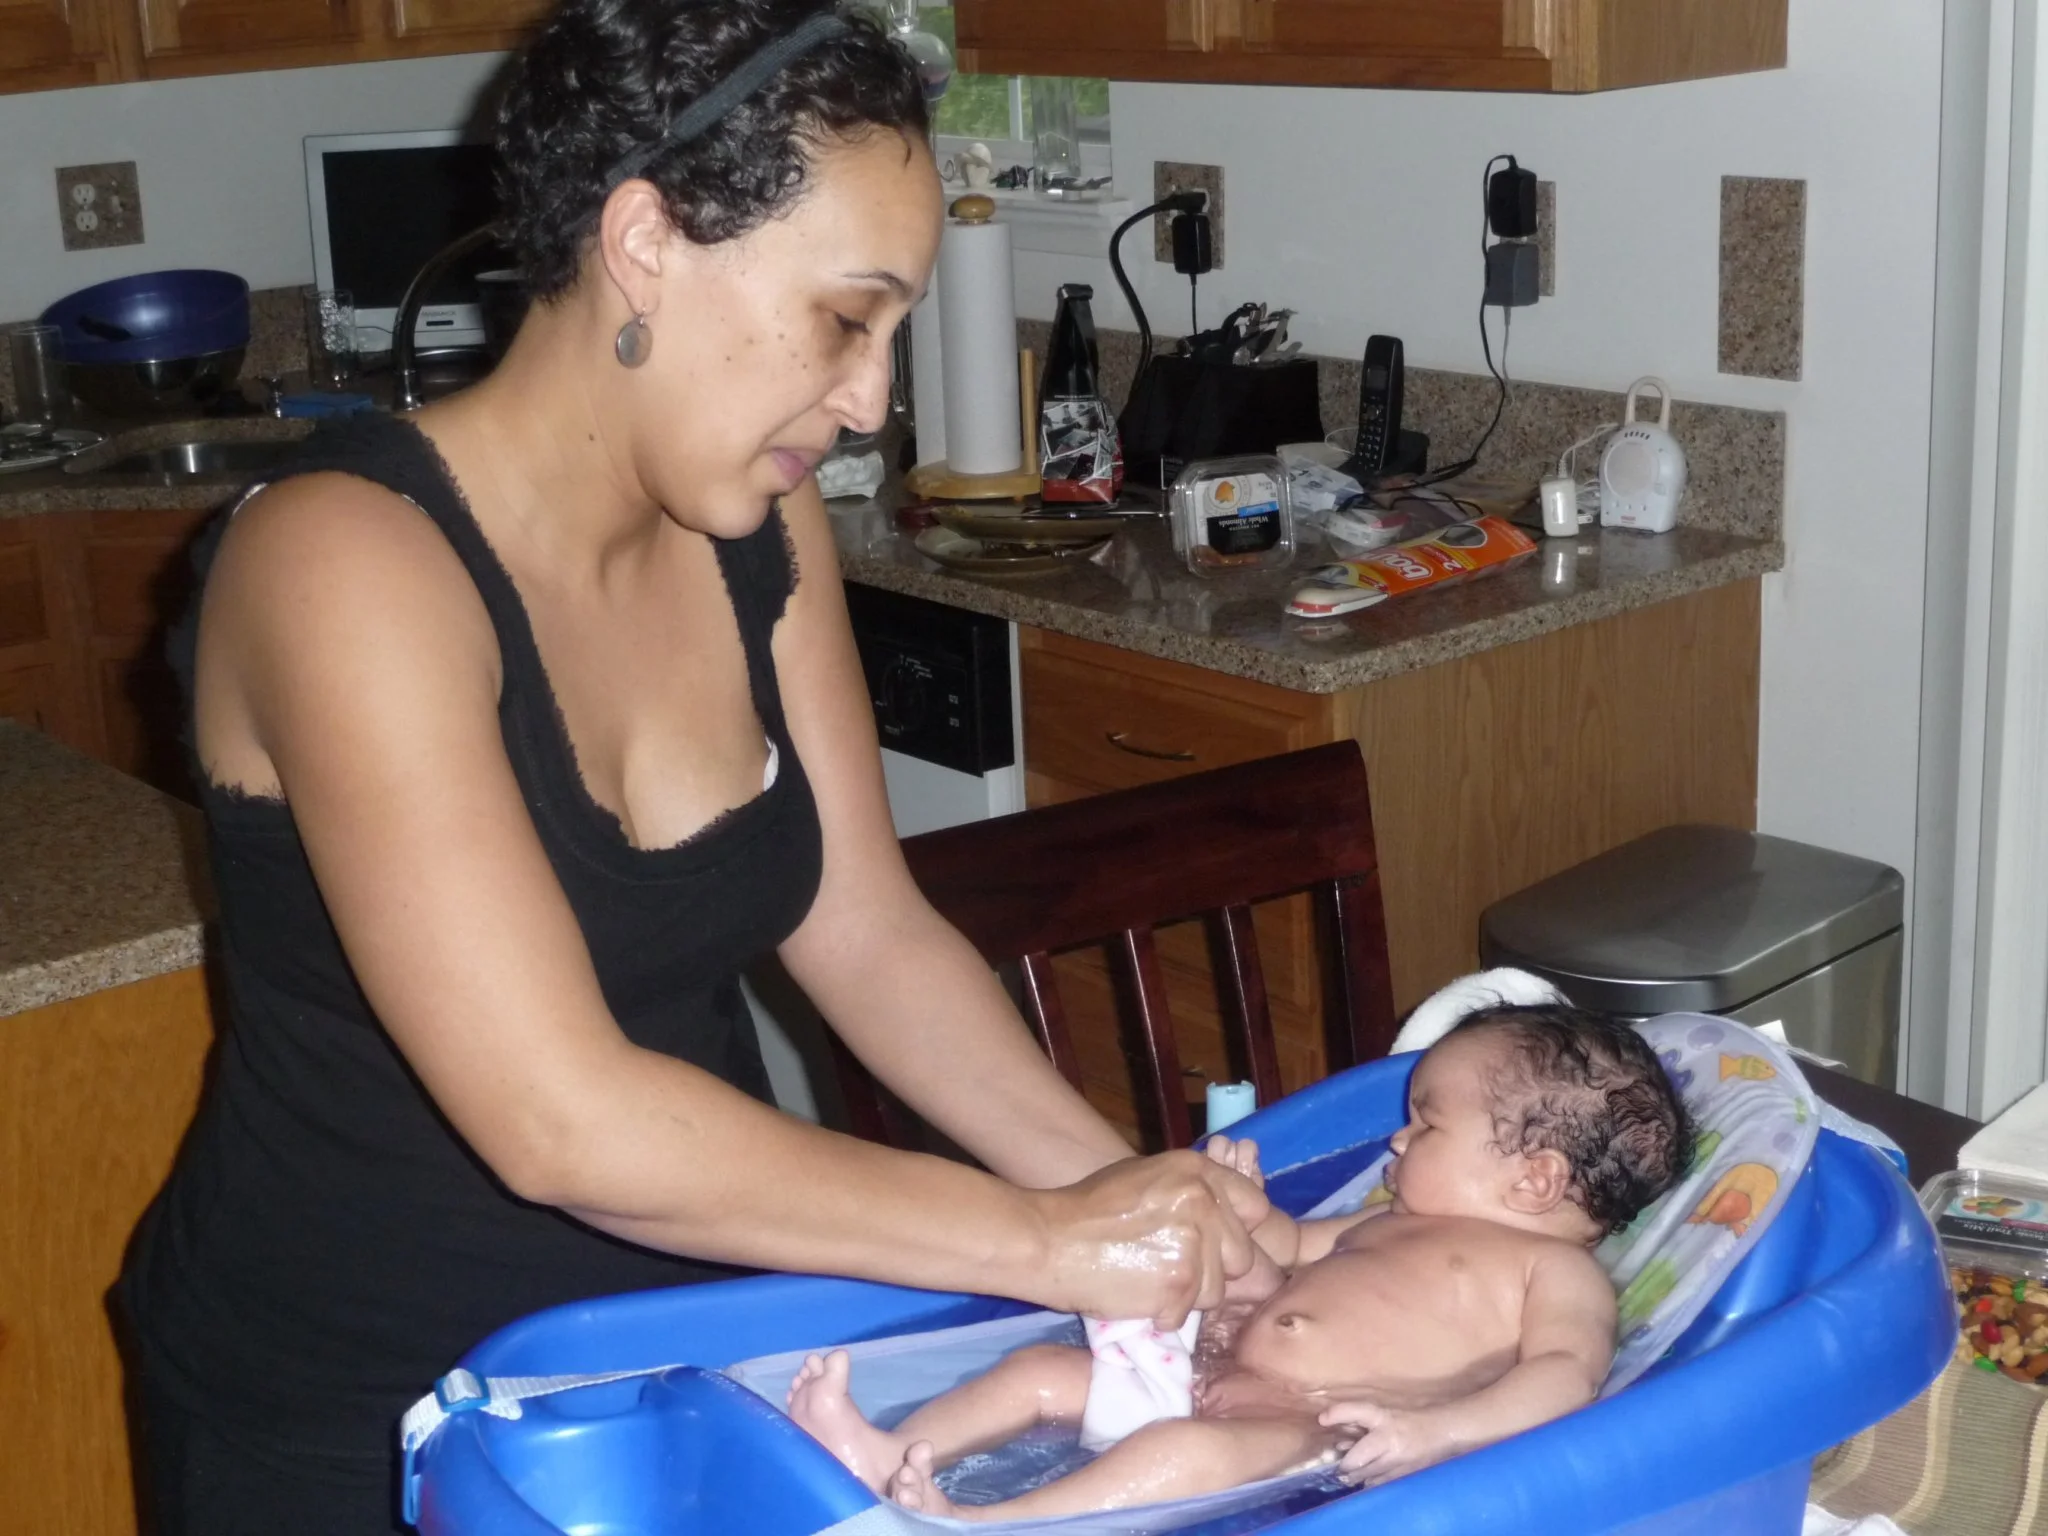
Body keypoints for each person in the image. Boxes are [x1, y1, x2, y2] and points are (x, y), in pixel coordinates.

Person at [115, 5, 1264, 1532]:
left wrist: (1148, 1213)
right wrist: (1042, 1246)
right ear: (646, 241)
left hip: (692, 1362)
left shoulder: (756, 527)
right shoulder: (345, 564)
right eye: (847, 318)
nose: (871, 399)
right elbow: (563, 1119)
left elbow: (864, 930)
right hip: (352, 1417)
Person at [788, 1004, 1692, 1520]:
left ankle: (988, 1522)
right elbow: (1285, 1255)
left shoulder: (1554, 1278)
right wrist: (1249, 1211)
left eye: (1426, 1122)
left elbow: (1566, 1378)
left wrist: (1437, 1432)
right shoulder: (1389, 1220)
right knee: (1038, 1370)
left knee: (1186, 1453)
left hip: (1312, 1428)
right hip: (1198, 1369)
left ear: (1534, 1179)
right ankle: (887, 1453)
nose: (1395, 1136)